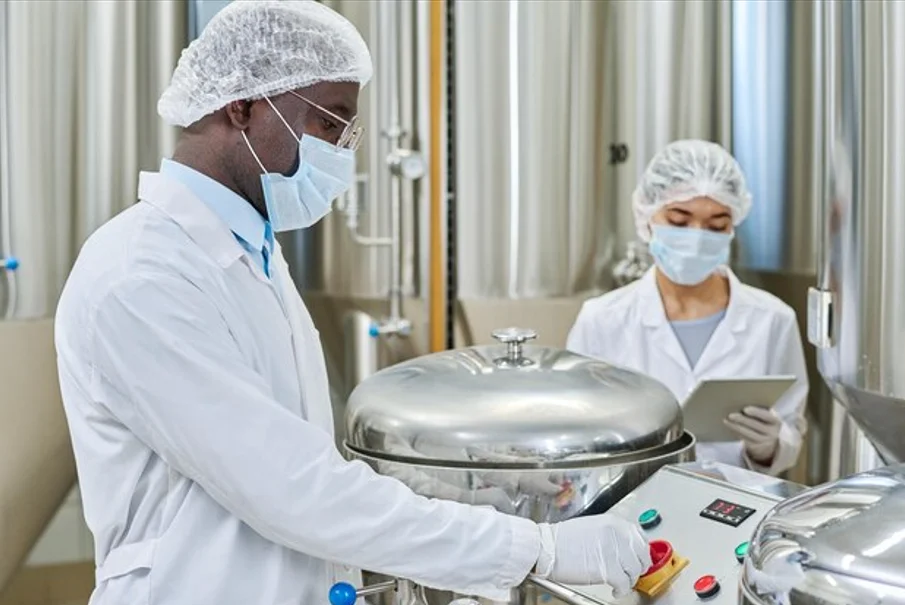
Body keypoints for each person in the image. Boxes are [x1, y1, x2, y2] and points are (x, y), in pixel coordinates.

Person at [54, 2, 650, 604]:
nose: (340, 151)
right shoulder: (142, 276)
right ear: (242, 106)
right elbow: (288, 487)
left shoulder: (251, 252)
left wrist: (471, 497)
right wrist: (536, 550)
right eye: (330, 123)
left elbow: (302, 460)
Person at [567, 140, 808, 477]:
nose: (696, 238)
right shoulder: (602, 320)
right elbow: (577, 435)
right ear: (647, 216)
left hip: (734, 507)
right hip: (631, 507)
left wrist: (768, 447)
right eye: (679, 221)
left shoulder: (773, 320)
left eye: (716, 225)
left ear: (733, 225)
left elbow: (790, 427)